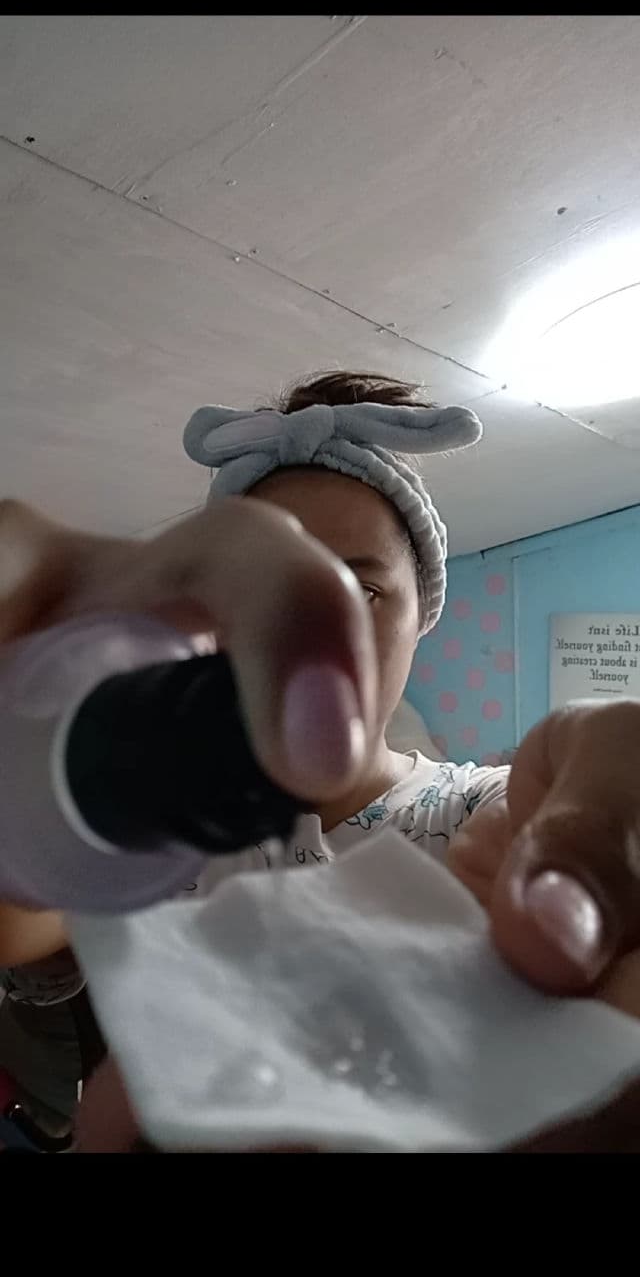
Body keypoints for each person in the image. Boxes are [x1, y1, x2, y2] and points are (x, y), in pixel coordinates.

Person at [1, 369, 640, 1150]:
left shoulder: (481, 820)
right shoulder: (134, 821)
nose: (316, 631)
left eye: (365, 591)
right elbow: (28, 924)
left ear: (423, 616)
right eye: (265, 591)